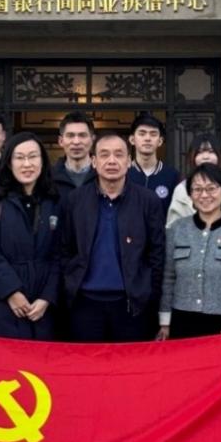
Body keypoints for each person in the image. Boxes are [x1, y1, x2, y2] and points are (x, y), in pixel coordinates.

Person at [61, 132, 165, 342]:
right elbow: (64, 250)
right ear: (94, 161)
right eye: (104, 155)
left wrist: (147, 293)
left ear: (128, 161)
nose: (111, 161)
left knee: (130, 362)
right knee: (87, 361)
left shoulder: (148, 200)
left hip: (132, 305)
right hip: (84, 303)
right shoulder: (75, 200)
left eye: (119, 155)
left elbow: (157, 254)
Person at [0, 132, 63, 340]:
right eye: (20, 158)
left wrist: (47, 297)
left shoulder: (55, 200)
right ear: (9, 163)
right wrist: (11, 292)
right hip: (0, 302)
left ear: (43, 161)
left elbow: (61, 255)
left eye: (33, 156)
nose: (27, 164)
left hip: (42, 305)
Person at [158, 163, 221, 339]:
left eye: (211, 189)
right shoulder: (177, 229)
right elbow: (168, 277)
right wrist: (165, 321)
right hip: (182, 321)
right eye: (197, 189)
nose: (204, 195)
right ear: (190, 194)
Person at [166, 132, 221, 227]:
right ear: (192, 157)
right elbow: (173, 227)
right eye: (200, 152)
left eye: (211, 152)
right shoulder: (182, 189)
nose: (205, 157)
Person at [126, 112, 180, 212]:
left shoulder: (172, 175)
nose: (147, 138)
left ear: (160, 141)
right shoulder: (124, 173)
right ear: (132, 139)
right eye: (142, 134)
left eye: (153, 134)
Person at [51, 111, 96, 196]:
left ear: (92, 140)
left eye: (82, 135)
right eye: (70, 135)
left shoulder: (103, 175)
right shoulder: (49, 178)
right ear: (61, 141)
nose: (76, 142)